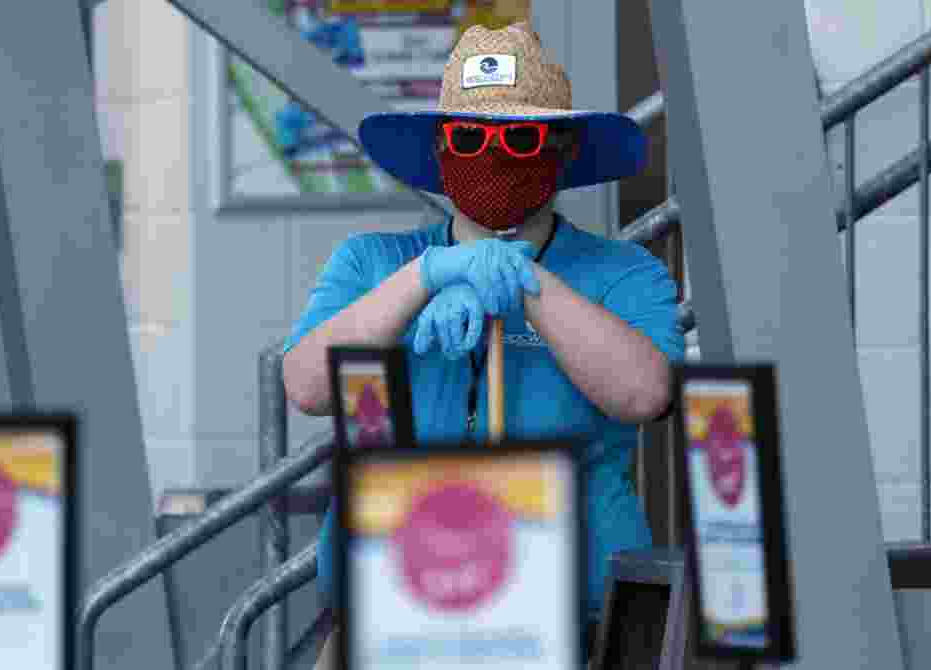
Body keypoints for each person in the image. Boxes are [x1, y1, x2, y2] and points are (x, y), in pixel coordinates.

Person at [283, 21, 684, 667]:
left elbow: (643, 393)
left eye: (520, 138)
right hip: (392, 618)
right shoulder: (371, 264)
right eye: (468, 138)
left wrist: (528, 283)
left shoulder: (625, 274)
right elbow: (304, 386)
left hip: (576, 630)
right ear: (441, 152)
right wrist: (428, 276)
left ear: (561, 149)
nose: (493, 158)